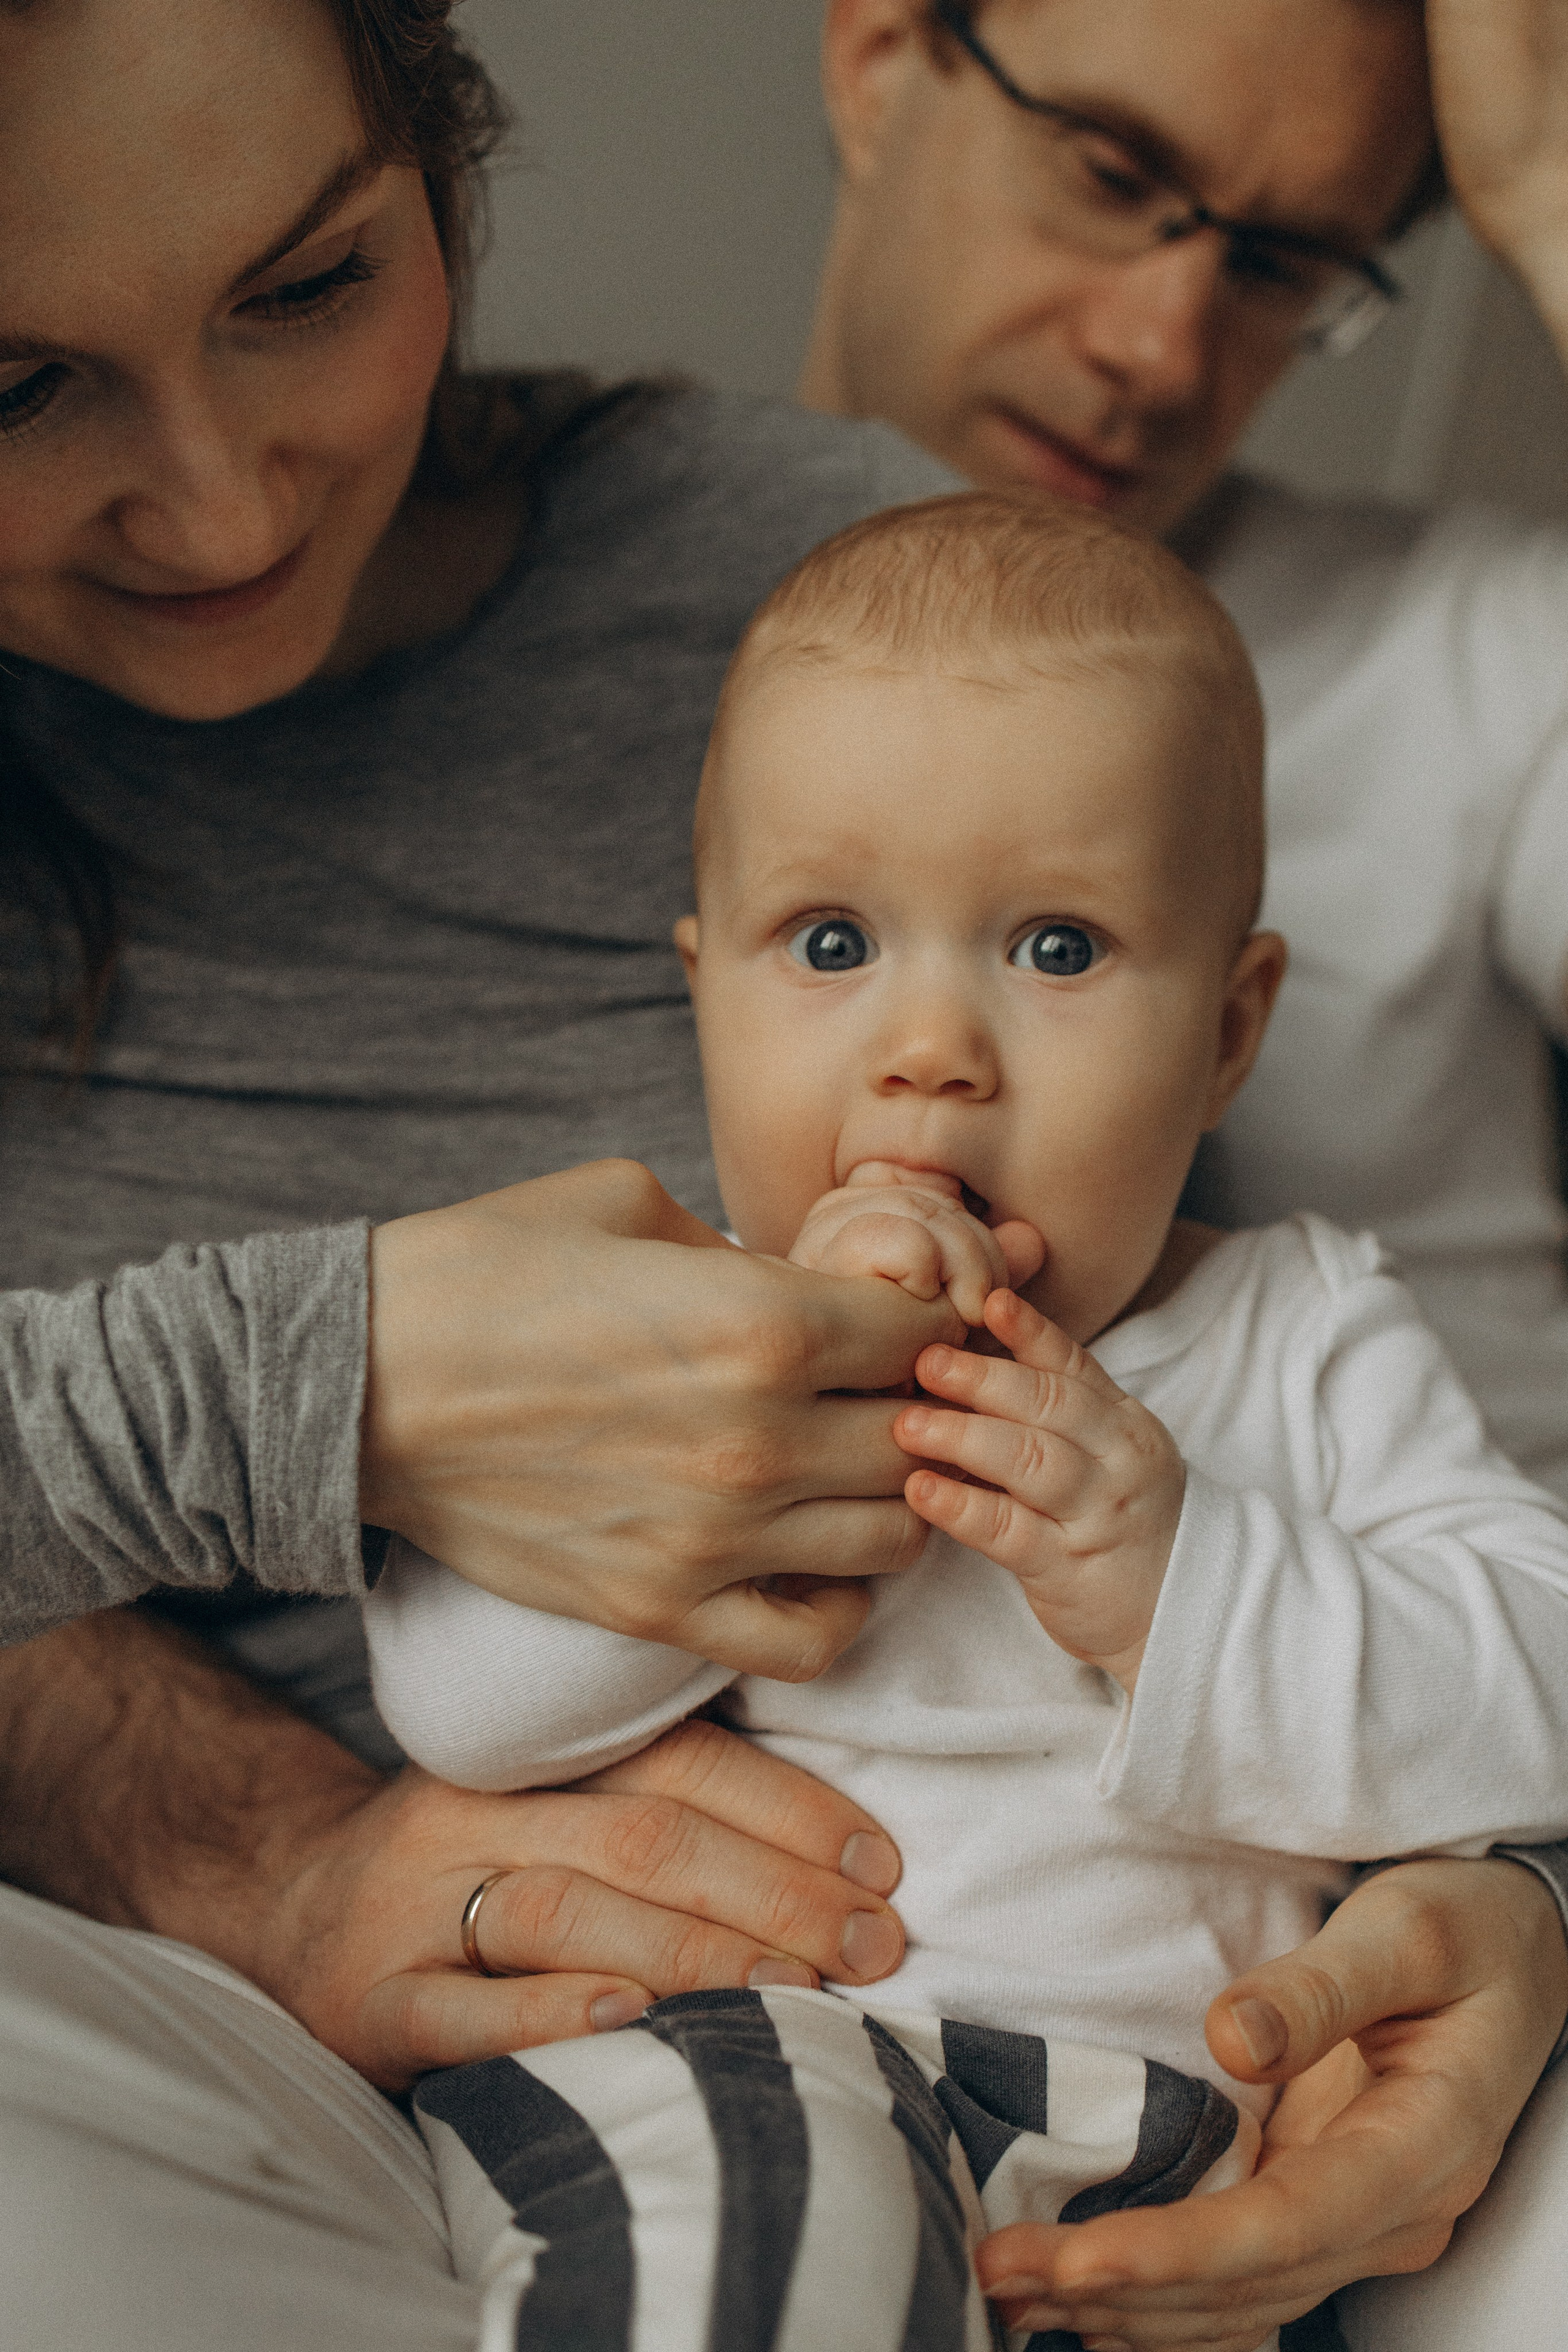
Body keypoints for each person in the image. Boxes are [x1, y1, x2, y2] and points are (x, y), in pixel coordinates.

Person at [0, 4, 1561, 2350]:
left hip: (1166, 2079)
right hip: (682, 2048)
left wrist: (1491, 1874)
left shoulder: (890, 630)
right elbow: (492, 1681)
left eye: (311, 280)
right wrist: (345, 1429)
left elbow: (1470, 1583)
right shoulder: (715, 1264)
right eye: (15, 384)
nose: (224, 507)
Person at [364, 491, 1568, 2352]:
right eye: (832, 944)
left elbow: (1539, 1683)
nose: (932, 1048)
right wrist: (734, 1482)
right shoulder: (661, 1329)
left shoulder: (1305, 1332)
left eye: (1061, 949)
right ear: (704, 994)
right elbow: (458, 1711)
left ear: (1230, 1032)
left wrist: (1188, 1577)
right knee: (780, 2274)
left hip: (1184, 2141)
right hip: (766, 2050)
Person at [796, 1, 1568, 2338]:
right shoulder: (621, 653)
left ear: (1240, 1003)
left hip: (1453, 1768)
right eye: (1117, 176)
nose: (1162, 344)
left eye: (1283, 264)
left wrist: (1550, 205)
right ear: (872, 53)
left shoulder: (1470, 655)